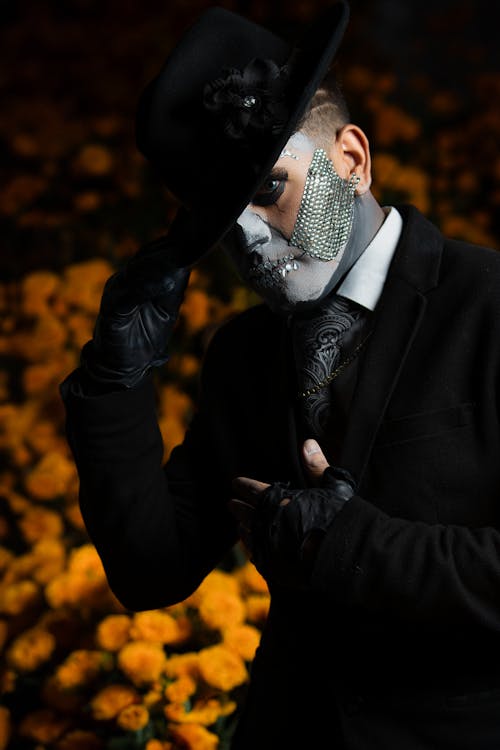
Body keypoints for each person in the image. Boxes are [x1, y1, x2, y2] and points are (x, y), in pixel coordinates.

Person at [60, 1, 500, 748]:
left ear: (353, 160)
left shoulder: (487, 304)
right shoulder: (245, 355)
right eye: (224, 227)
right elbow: (152, 568)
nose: (253, 245)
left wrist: (353, 548)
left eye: (268, 191)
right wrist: (115, 378)